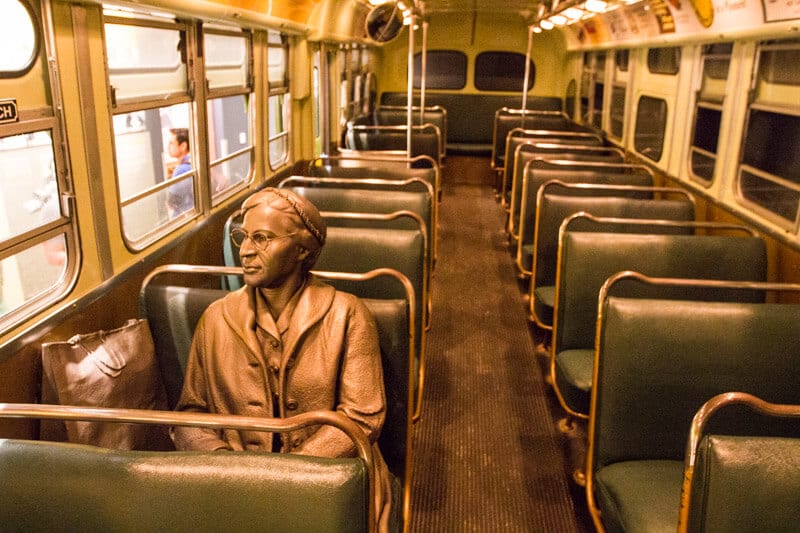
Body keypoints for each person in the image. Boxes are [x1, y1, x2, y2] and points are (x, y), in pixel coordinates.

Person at [172, 188, 392, 529]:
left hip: (326, 482)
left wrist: (286, 475)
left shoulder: (348, 315)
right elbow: (191, 415)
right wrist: (226, 466)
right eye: (242, 237)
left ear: (302, 249)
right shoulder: (215, 319)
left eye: (262, 238)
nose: (244, 251)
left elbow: (363, 418)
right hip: (234, 483)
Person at [165, 128, 194, 218]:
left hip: (184, 217)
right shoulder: (193, 162)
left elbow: (171, 202)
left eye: (171, 143)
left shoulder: (181, 170)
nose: (168, 147)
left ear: (183, 146)